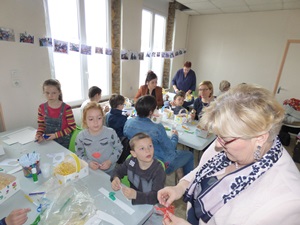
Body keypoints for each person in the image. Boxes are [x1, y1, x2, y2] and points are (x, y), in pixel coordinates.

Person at [158, 84, 300, 225]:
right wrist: (180, 187)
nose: (217, 144)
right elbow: (201, 170)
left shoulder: (286, 202)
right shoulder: (230, 143)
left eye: (225, 139)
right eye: (218, 136)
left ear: (260, 138)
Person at [124, 95, 194, 176]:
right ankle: (188, 184)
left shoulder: (128, 122)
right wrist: (175, 136)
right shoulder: (157, 127)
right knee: (189, 155)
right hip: (159, 163)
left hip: (139, 158)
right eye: (155, 108)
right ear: (151, 112)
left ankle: (180, 173)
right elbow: (170, 148)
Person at [111, 132, 166, 205]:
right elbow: (118, 170)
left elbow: (156, 196)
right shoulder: (131, 161)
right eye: (142, 148)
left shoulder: (158, 170)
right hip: (131, 200)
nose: (148, 150)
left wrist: (136, 195)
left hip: (150, 204)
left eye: (150, 146)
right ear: (134, 153)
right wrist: (115, 178)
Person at [75, 101, 123, 175]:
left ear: (103, 118)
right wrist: (89, 162)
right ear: (85, 120)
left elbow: (119, 148)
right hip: (92, 171)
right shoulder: (81, 136)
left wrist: (110, 161)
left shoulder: (110, 133)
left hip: (111, 171)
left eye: (99, 118)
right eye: (91, 119)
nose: (96, 122)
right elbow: (79, 154)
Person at [35, 79, 76, 149]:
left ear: (59, 92)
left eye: (54, 93)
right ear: (44, 92)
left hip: (63, 142)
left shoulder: (67, 108)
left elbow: (72, 127)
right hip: (47, 140)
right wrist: (38, 135)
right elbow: (41, 125)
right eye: (47, 93)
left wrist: (55, 135)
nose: (50, 96)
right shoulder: (41, 108)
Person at [106, 94, 131, 164]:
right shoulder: (121, 118)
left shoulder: (108, 114)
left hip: (112, 137)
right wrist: (126, 118)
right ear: (119, 105)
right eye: (123, 104)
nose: (123, 106)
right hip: (121, 139)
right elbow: (126, 130)